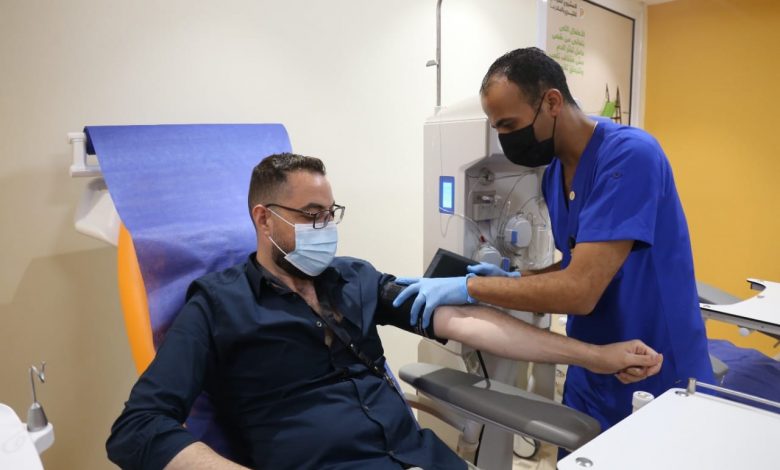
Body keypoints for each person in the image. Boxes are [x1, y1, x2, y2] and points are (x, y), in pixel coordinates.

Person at [106, 152, 662, 470]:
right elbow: (138, 428)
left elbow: (467, 323)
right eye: (310, 215)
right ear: (263, 218)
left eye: (330, 214)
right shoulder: (219, 305)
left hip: (420, 458)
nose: (325, 228)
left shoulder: (352, 277)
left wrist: (596, 356)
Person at [393, 47, 713, 433]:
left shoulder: (630, 157)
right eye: (497, 128)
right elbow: (577, 263)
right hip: (592, 363)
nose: (506, 138)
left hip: (653, 364)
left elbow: (580, 290)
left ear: (552, 102)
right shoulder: (555, 173)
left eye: (509, 125)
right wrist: (517, 279)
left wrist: (472, 288)